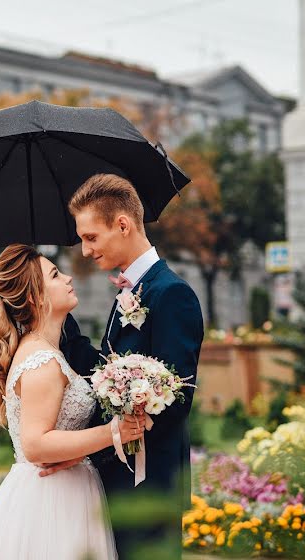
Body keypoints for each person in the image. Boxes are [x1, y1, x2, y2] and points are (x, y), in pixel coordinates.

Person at [49, 174, 204, 560]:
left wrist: (101, 441)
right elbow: (107, 375)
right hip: (120, 482)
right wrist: (53, 316)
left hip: (150, 489)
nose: (85, 251)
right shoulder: (128, 293)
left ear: (123, 224)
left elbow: (175, 398)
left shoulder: (171, 294)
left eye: (91, 237)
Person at [0, 243, 145, 560]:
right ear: (35, 297)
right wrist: (114, 432)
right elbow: (36, 445)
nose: (68, 278)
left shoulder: (48, 351)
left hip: (67, 490)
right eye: (54, 274)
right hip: (50, 502)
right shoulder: (42, 361)